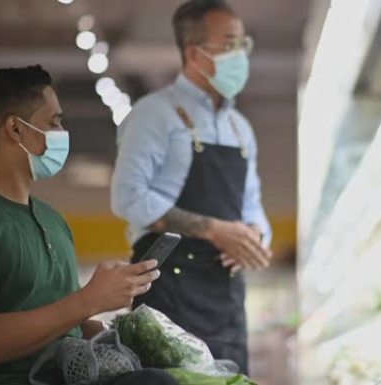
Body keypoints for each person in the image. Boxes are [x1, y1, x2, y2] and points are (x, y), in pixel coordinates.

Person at [0, 66, 177, 385]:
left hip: (68, 373)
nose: (62, 131)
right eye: (53, 121)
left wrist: (133, 336)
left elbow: (71, 325)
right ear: (15, 129)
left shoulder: (52, 220)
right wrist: (89, 299)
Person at [111, 0, 272, 374]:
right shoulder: (155, 113)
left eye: (242, 44)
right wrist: (216, 231)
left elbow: (254, 209)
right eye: (229, 44)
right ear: (194, 54)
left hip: (227, 297)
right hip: (169, 295)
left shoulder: (240, 128)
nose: (240, 54)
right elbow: (128, 196)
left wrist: (253, 238)